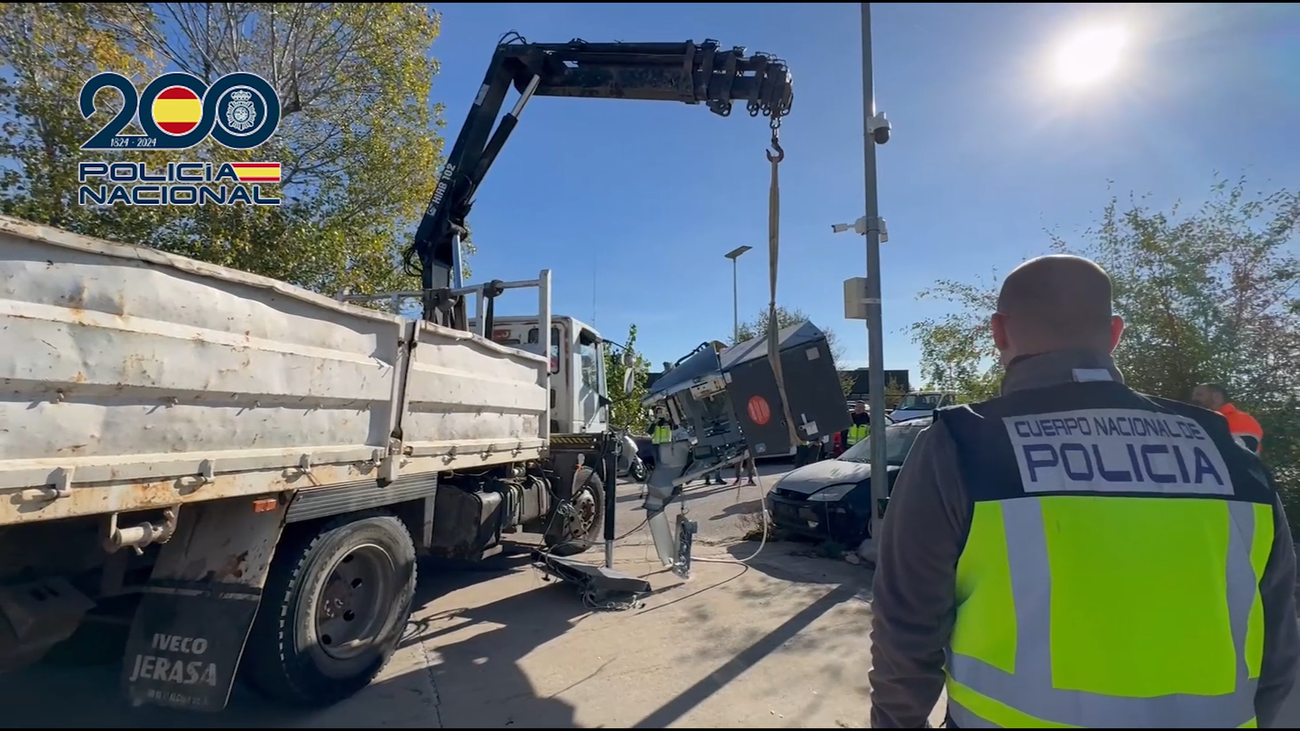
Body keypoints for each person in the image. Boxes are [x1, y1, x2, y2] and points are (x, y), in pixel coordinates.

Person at [868, 254, 1298, 729]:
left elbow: (906, 628)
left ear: (998, 331)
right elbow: (1279, 643)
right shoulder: (1227, 447)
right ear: (1115, 334)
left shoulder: (965, 444)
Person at [1192, 382, 1265, 454]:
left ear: (1217, 397)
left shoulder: (1242, 420)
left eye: (1199, 395)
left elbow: (1236, 452)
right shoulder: (1197, 420)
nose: (1193, 399)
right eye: (1193, 395)